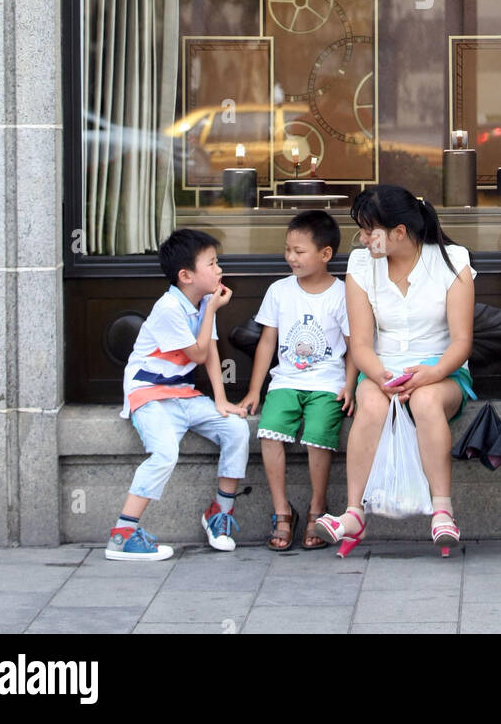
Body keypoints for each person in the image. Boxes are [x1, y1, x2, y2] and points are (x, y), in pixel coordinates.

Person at [313, 185, 476, 557]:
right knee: (370, 405)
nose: (364, 238)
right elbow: (361, 345)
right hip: (382, 369)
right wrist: (384, 377)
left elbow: (461, 342)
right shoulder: (360, 265)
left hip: (441, 368)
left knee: (425, 402)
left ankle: (442, 511)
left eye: (371, 231)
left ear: (399, 233)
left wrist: (431, 374)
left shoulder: (452, 260)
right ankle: (354, 512)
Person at [106, 229, 249, 562]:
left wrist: (222, 399)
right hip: (150, 395)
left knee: (236, 429)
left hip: (183, 395)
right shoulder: (169, 307)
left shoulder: (200, 302)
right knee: (165, 453)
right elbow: (198, 355)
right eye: (212, 264)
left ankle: (220, 512)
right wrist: (212, 310)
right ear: (186, 275)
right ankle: (122, 535)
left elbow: (211, 351)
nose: (219, 270)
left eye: (217, 263)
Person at [234, 212, 356, 551]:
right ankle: (282, 510)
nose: (291, 257)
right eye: (288, 250)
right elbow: (267, 343)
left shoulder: (342, 294)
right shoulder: (279, 291)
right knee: (270, 431)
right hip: (285, 380)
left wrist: (350, 386)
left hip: (327, 383)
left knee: (319, 435)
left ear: (325, 254)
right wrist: (254, 390)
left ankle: (318, 508)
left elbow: (353, 348)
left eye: (299, 251)